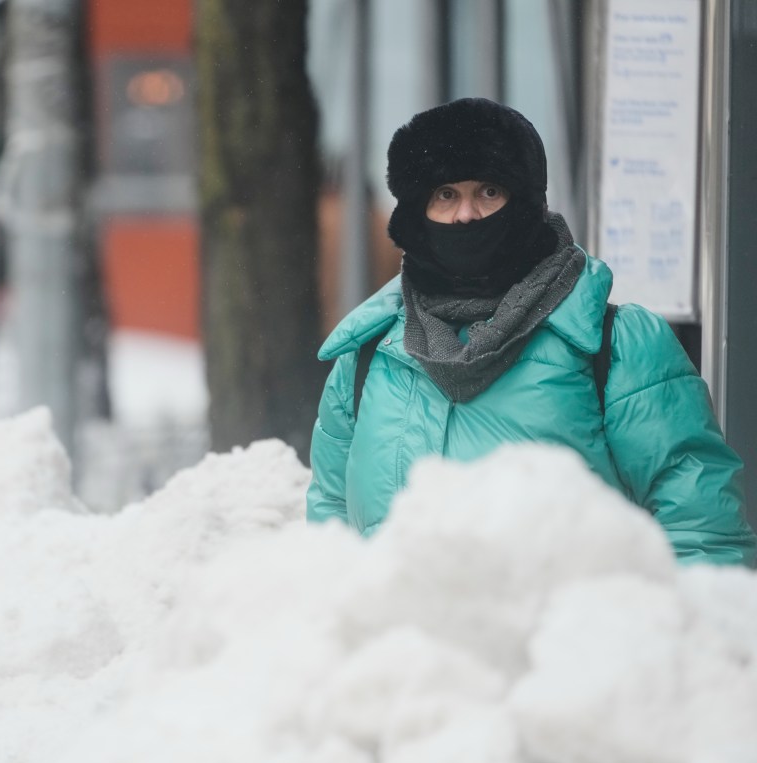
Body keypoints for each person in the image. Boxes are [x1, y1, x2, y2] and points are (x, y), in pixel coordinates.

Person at [306, 97, 755, 567]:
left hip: (572, 639)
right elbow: (330, 538)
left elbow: (702, 535)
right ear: (416, 211)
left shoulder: (615, 344)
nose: (465, 215)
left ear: (528, 201)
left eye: (489, 192)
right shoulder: (368, 354)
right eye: (445, 195)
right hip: (406, 641)